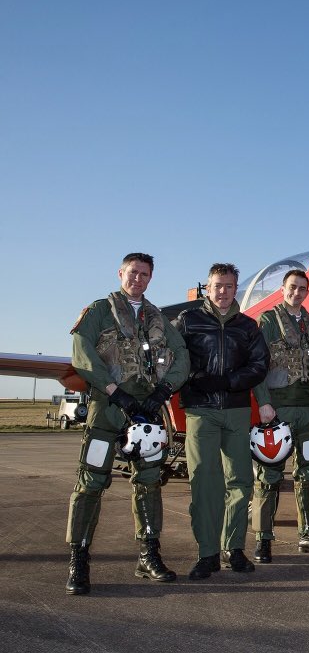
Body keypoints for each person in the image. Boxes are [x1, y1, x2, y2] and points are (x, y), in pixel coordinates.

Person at [65, 252, 190, 595]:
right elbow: (81, 349)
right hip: (108, 409)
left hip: (147, 414)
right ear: (121, 273)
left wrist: (163, 390)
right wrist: (111, 390)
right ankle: (79, 559)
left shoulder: (158, 318)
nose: (138, 279)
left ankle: (148, 555)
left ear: (151, 278)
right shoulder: (99, 310)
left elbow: (182, 357)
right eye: (133, 272)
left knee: (149, 482)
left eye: (145, 274)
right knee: (91, 483)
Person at [173, 263, 270, 580]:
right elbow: (171, 358)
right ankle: (207, 553)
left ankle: (235, 548)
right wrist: (195, 379)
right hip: (201, 411)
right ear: (208, 287)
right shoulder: (188, 322)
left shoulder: (248, 326)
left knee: (240, 482)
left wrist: (228, 382)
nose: (223, 291)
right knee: (204, 481)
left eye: (229, 286)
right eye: (217, 285)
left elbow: (260, 365)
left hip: (237, 410)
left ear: (235, 287)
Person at [250, 269, 309, 563]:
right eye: (292, 287)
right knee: (268, 476)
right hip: (279, 408)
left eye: (302, 289)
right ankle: (263, 539)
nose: (297, 293)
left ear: (307, 293)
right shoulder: (270, 321)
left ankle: (308, 534)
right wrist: (263, 402)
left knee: (308, 473)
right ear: (283, 289)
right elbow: (258, 364)